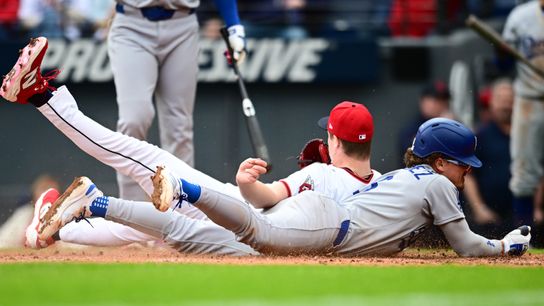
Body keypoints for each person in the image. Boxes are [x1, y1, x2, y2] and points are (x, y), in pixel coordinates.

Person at [0, 37, 379, 252]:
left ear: (333, 138)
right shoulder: (381, 187)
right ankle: (53, 230)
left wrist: (248, 181)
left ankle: (39, 95)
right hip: (254, 235)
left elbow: (263, 197)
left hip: (241, 214)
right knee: (147, 225)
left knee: (139, 154)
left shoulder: (322, 172)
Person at [38, 117, 532, 257]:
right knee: (254, 231)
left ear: (335, 139)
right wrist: (504, 247)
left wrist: (252, 184)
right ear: (442, 161)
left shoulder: (399, 179)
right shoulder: (426, 185)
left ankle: (95, 204)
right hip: (318, 226)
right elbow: (465, 244)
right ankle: (185, 188)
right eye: (463, 164)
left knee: (186, 236)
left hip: (315, 223)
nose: (468, 172)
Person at [109, 0, 247, 202]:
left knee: (178, 125)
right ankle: (132, 209)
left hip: (182, 23)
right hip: (132, 23)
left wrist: (234, 25)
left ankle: (181, 209)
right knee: (134, 119)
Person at [502, 0, 544, 229]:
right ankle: (524, 237)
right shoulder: (521, 16)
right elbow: (503, 65)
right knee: (524, 174)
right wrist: (502, 53)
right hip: (531, 99)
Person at [463, 79, 514, 238]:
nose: (505, 105)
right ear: (491, 103)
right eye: (501, 100)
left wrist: (537, 208)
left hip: (520, 214)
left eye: (509, 100)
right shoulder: (480, 136)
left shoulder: (528, 138)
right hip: (488, 218)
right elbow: (467, 175)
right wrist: (479, 208)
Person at [398, 80, 453, 166]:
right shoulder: (412, 130)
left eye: (443, 100)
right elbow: (416, 156)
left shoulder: (453, 126)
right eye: (435, 99)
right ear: (423, 101)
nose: (439, 104)